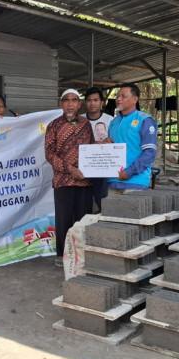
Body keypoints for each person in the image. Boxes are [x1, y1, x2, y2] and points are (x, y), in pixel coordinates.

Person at [44, 88, 94, 266]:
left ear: (79, 104)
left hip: (84, 181)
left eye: (74, 100)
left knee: (83, 219)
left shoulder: (86, 125)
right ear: (61, 104)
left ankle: (82, 254)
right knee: (63, 219)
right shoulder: (54, 125)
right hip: (63, 181)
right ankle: (62, 255)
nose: (70, 104)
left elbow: (91, 149)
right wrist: (70, 169)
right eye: (66, 100)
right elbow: (49, 154)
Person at [108, 83, 157, 190]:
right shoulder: (113, 122)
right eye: (117, 96)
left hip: (136, 182)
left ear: (135, 99)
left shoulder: (144, 120)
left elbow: (149, 153)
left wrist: (129, 172)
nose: (118, 99)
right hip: (112, 180)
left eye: (123, 96)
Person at [84, 88, 114, 212]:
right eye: (89, 100)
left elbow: (116, 142)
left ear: (102, 102)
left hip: (103, 168)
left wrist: (110, 142)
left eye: (96, 100)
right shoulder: (79, 120)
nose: (92, 103)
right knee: (84, 204)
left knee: (102, 200)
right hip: (84, 169)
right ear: (85, 102)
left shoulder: (110, 120)